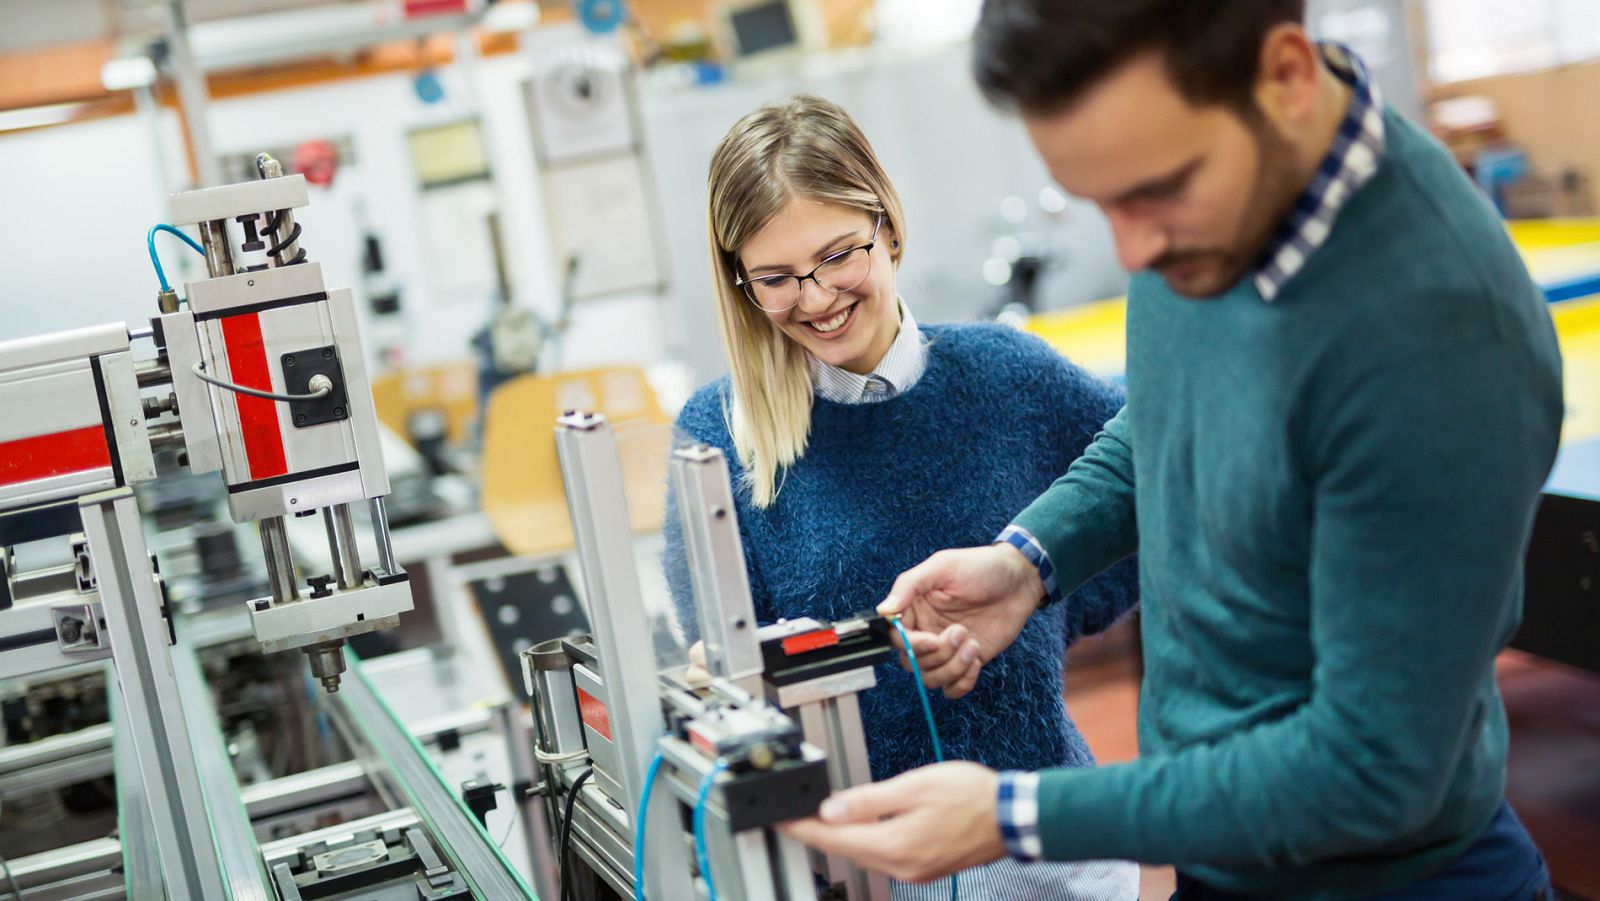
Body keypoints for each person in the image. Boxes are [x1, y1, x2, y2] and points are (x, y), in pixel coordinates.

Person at [784, 3, 1563, 900]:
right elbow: (1163, 417)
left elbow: (1372, 768)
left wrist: (1016, 816)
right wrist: (1031, 561)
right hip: (1220, 846)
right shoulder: (1209, 197)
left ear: (1284, 77)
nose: (1132, 249)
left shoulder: (1438, 337)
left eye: (1151, 192)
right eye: (1100, 202)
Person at [661, 94, 1141, 899]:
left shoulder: (1009, 374)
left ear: (886, 223)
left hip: (1042, 854)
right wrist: (837, 662)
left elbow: (1145, 510)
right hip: (855, 868)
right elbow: (716, 659)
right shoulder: (718, 431)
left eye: (836, 254)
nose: (814, 298)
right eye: (774, 278)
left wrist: (1031, 605)